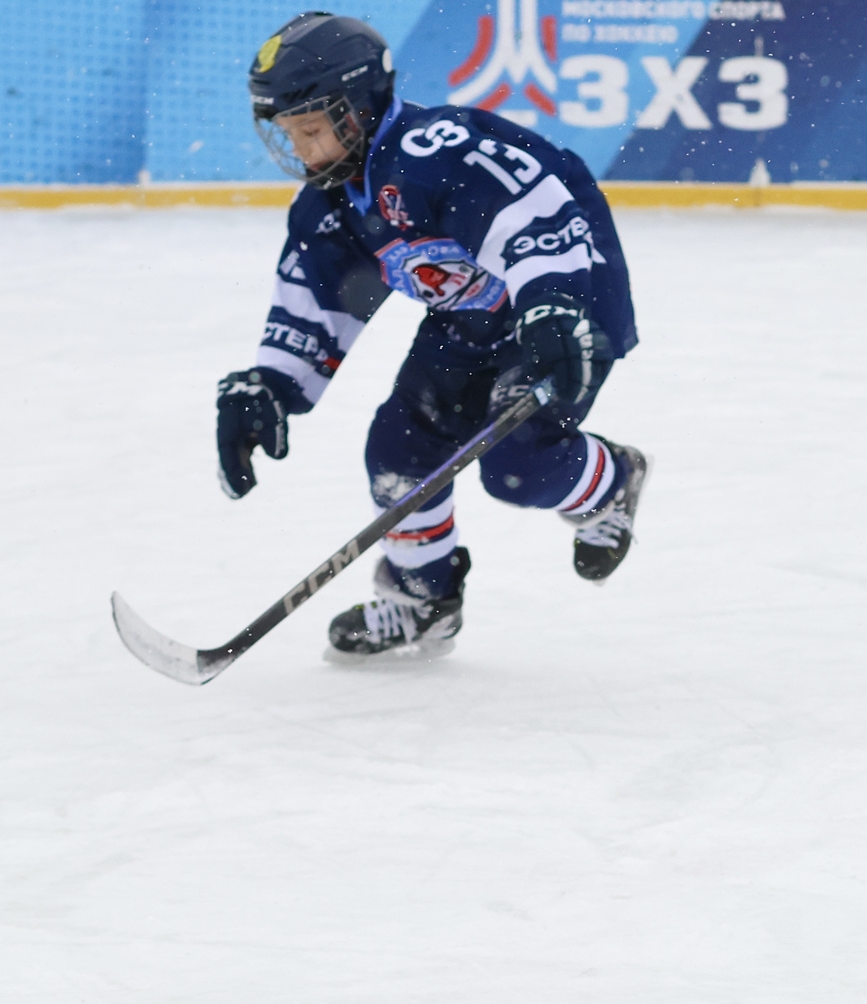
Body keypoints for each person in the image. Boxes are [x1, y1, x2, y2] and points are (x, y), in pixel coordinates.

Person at [218, 12, 646, 659]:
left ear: (356, 109)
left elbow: (535, 207)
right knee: (398, 452)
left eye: (311, 129)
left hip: (565, 294)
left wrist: (556, 302)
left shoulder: (433, 152)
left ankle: (610, 483)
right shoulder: (334, 202)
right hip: (470, 316)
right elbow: (318, 301)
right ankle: (425, 598)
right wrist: (271, 386)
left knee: (518, 468)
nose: (301, 151)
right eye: (290, 134)